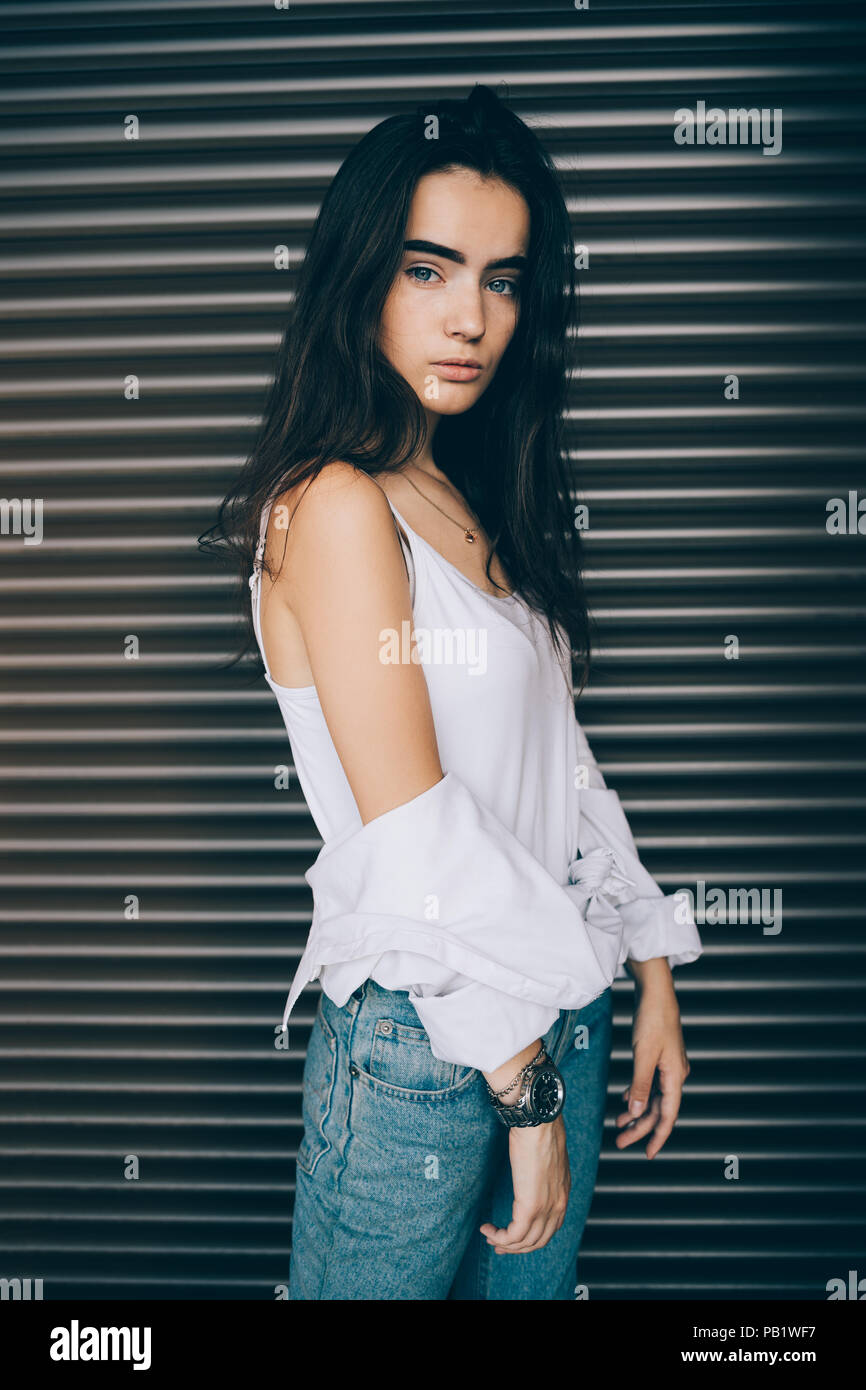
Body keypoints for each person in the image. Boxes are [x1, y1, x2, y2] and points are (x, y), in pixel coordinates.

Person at [204, 84, 703, 1300]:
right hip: (437, 1046)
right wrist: (524, 1087)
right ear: (361, 275)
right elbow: (416, 829)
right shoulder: (332, 505)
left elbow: (562, 770)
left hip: (559, 1011)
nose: (470, 316)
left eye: (503, 278)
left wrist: (647, 967)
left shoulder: (470, 501)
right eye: (429, 270)